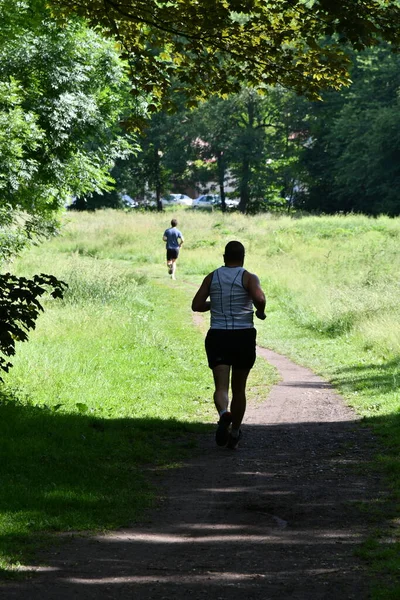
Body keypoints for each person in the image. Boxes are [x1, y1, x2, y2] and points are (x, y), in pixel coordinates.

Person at [191, 241, 266, 449]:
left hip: (218, 336)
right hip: (243, 336)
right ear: (243, 257)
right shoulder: (248, 277)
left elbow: (196, 305)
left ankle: (224, 413)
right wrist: (260, 312)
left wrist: (215, 303)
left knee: (221, 386)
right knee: (239, 389)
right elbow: (259, 298)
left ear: (224, 257)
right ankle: (234, 432)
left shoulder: (212, 277)